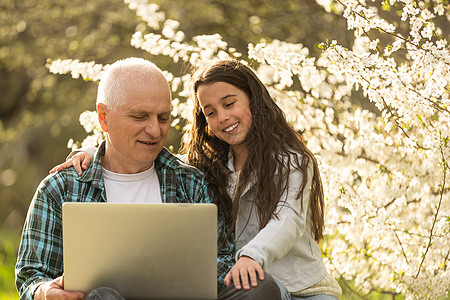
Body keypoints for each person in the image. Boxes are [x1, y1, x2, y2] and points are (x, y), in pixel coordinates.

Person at [53, 59, 342, 299]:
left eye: (230, 103)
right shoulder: (208, 166)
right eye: (211, 112)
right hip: (243, 286)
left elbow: (287, 220)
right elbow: (147, 158)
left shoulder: (291, 160)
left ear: (254, 100)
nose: (223, 117)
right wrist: (92, 151)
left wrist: (251, 257)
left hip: (303, 289)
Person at [15, 58, 281, 300]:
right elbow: (30, 275)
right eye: (140, 116)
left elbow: (223, 258)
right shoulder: (60, 188)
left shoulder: (190, 181)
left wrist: (183, 277)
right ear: (104, 118)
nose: (155, 130)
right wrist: (43, 291)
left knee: (260, 288)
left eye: (163, 118)